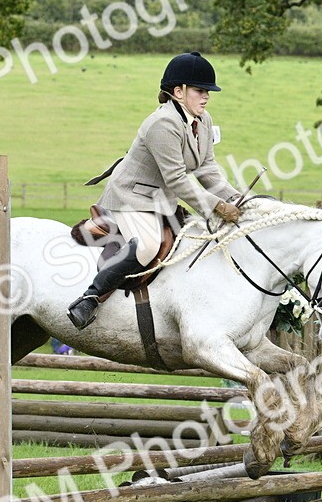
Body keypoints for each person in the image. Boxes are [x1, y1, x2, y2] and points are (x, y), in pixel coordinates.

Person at [68, 52, 242, 330]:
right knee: (148, 246)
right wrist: (218, 207)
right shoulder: (163, 124)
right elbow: (176, 180)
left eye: (207, 91)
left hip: (161, 200)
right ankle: (89, 298)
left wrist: (236, 198)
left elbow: (207, 169)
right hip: (131, 196)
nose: (206, 96)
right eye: (200, 90)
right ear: (178, 92)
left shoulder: (204, 120)